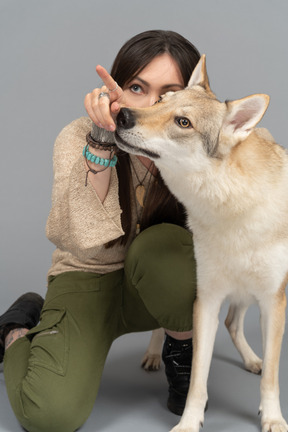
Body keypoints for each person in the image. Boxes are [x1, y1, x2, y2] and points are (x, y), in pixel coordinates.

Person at [0, 30, 200, 432]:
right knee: (50, 415)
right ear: (117, 88)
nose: (148, 105)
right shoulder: (78, 137)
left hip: (156, 286)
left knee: (164, 247)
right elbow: (81, 238)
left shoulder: (196, 144)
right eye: (137, 87)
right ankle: (16, 327)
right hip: (87, 280)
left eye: (168, 94)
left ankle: (183, 365)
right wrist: (103, 140)